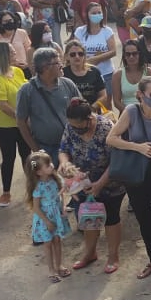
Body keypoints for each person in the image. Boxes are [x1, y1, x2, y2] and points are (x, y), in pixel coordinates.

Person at [107, 76, 151, 288]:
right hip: (137, 175)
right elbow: (111, 138)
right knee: (144, 220)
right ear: (140, 95)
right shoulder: (131, 112)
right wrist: (137, 147)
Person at [59, 99, 124, 274]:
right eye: (73, 126)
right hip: (83, 183)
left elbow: (117, 160)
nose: (76, 130)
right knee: (88, 217)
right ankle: (90, 253)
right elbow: (63, 149)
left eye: (80, 126)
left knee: (111, 217)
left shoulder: (106, 128)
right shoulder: (71, 127)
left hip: (110, 181)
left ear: (89, 118)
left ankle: (113, 256)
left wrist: (100, 184)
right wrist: (65, 164)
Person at [16, 48, 81, 159]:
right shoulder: (26, 90)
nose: (62, 65)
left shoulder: (68, 84)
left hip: (71, 146)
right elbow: (21, 121)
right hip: (45, 149)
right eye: (57, 63)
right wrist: (36, 150)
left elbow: (82, 109)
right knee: (43, 174)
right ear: (45, 67)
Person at [0, 42, 29, 208]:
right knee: (8, 158)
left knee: (29, 157)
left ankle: (33, 187)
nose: (15, 54)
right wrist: (21, 118)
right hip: (5, 126)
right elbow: (3, 105)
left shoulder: (18, 71)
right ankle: (6, 191)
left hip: (23, 123)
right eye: (12, 52)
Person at [25, 150, 71, 282]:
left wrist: (63, 208)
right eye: (48, 165)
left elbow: (60, 195)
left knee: (57, 241)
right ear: (39, 172)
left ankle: (59, 265)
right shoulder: (38, 187)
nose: (52, 165)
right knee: (48, 243)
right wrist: (46, 221)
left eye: (50, 163)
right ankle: (51, 270)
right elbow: (36, 207)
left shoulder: (55, 180)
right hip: (45, 219)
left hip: (56, 215)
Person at [75, 3, 117, 94]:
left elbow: (113, 51)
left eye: (99, 12)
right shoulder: (80, 31)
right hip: (86, 73)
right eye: (94, 13)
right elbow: (75, 50)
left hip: (106, 73)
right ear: (87, 15)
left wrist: (95, 59)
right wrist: (89, 61)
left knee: (107, 102)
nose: (97, 15)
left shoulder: (107, 31)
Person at [112, 39, 151, 113]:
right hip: (126, 113)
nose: (131, 57)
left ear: (140, 54)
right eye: (128, 54)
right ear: (124, 56)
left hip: (149, 112)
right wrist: (131, 113)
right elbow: (116, 102)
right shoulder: (118, 75)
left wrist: (145, 112)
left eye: (134, 53)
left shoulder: (150, 72)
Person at [62, 40, 109, 111]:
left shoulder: (94, 71)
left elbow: (103, 96)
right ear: (66, 56)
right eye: (73, 54)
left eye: (80, 54)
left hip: (92, 113)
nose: (77, 57)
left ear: (84, 55)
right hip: (71, 114)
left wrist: (91, 108)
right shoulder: (62, 73)